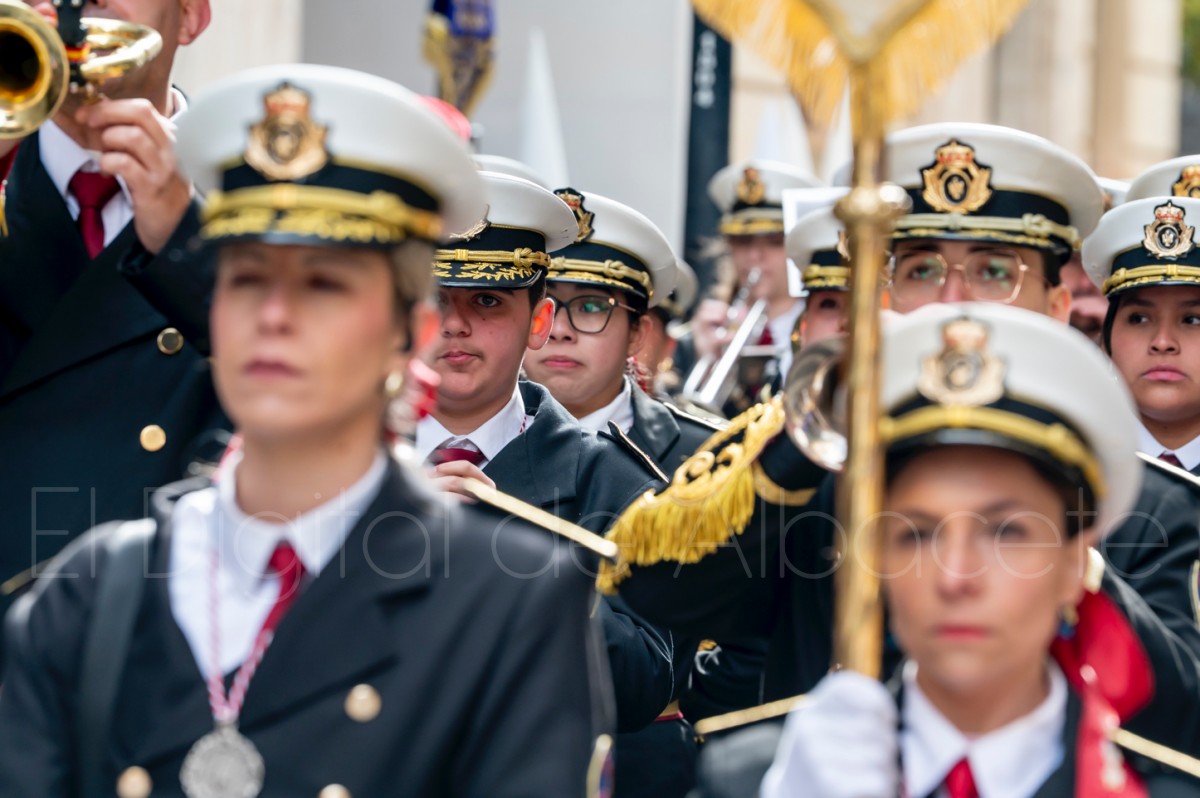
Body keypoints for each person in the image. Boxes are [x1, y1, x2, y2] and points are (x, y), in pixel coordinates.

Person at [0, 64, 613, 797]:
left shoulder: (512, 608)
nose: (274, 317)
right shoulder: (91, 589)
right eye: (247, 277)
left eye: (324, 284)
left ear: (411, 335)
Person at [602, 122, 1200, 758]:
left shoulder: (1146, 497)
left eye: (994, 271)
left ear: (1056, 306)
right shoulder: (816, 458)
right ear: (885, 293)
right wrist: (803, 438)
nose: (952, 301)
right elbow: (657, 590)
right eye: (921, 271)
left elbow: (1179, 716)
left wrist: (1067, 550)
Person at [763, 302, 1198, 796]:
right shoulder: (766, 778)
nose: (956, 577)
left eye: (1006, 534)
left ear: (1076, 564)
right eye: (917, 534)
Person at [416, 172, 678, 751]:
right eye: (436, 299)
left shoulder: (611, 478)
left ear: (538, 323)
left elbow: (642, 685)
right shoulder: (337, 459)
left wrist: (507, 554)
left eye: (488, 300)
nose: (456, 323)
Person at [0, 0, 225, 647]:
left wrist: (184, 239)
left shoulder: (253, 196)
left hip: (150, 638)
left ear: (190, 18)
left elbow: (309, 395)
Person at [684, 161, 821, 416]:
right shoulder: (702, 330)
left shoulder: (824, 326)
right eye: (743, 241)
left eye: (774, 241)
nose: (755, 256)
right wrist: (698, 358)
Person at [1084, 196, 1200, 476]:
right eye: (1138, 319)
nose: (1163, 342)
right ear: (1106, 341)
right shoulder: (1072, 468)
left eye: (1193, 320)